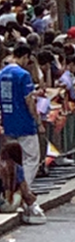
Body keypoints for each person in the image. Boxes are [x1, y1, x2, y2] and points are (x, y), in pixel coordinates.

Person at [0, 44, 46, 223]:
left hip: (9, 122)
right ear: (25, 56)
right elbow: (29, 101)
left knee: (13, 158)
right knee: (31, 158)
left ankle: (16, 190)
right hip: (25, 123)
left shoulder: (2, 74)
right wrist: (38, 122)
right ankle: (23, 191)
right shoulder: (23, 75)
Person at [0, 144, 41, 222]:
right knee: (20, 189)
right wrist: (33, 202)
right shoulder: (17, 168)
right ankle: (26, 211)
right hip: (6, 205)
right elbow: (25, 192)